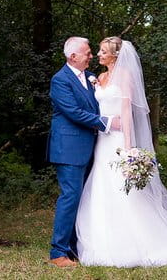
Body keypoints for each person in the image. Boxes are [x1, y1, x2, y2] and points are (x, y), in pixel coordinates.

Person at [75, 36, 167, 267]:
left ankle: (142, 241)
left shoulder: (124, 78)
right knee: (102, 186)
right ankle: (104, 240)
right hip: (101, 141)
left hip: (118, 140)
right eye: (99, 51)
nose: (99, 54)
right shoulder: (100, 78)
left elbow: (126, 114)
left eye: (104, 51)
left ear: (115, 55)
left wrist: (128, 148)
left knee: (124, 190)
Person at [47, 36, 118, 268]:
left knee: (85, 199)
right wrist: (106, 122)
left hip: (92, 148)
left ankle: (76, 247)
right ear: (73, 56)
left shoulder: (90, 78)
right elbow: (74, 112)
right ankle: (58, 253)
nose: (91, 56)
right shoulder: (60, 80)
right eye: (87, 52)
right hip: (68, 149)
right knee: (70, 197)